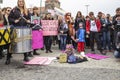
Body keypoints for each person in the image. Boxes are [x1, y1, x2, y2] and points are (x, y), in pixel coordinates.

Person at [6, 0, 31, 64]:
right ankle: (8, 58)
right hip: (15, 28)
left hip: (24, 28)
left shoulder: (27, 10)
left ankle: (26, 56)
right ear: (18, 2)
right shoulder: (14, 10)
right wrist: (14, 21)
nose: (21, 3)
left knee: (24, 42)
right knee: (12, 43)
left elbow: (30, 18)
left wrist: (28, 20)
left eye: (22, 2)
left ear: (24, 2)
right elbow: (9, 18)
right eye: (20, 1)